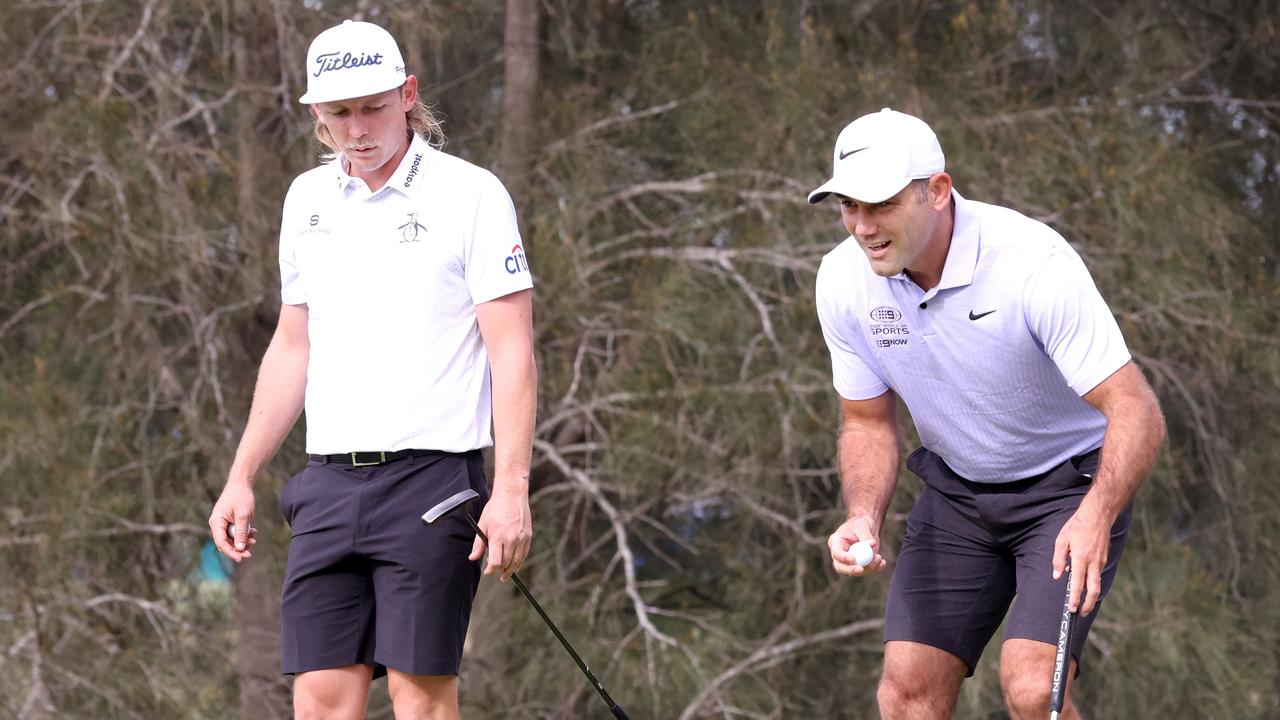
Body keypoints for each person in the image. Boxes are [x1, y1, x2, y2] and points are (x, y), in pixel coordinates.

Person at [207, 19, 536, 720]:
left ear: (408, 94)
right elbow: (293, 345)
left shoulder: (471, 195)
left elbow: (512, 349)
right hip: (326, 483)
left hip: (433, 481)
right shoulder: (307, 200)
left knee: (420, 704)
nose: (357, 128)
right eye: (338, 113)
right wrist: (241, 475)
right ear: (317, 115)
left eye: (373, 106)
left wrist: (510, 490)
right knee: (320, 702)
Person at [809, 108, 1165, 718]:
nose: (863, 227)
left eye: (882, 205)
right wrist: (863, 517)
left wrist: (1096, 515)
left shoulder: (1031, 263)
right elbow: (867, 421)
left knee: (1032, 690)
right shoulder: (844, 280)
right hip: (959, 497)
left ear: (938, 191)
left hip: (1067, 493)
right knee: (906, 692)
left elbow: (1136, 409)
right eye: (848, 206)